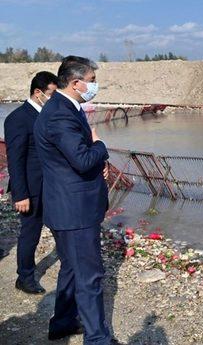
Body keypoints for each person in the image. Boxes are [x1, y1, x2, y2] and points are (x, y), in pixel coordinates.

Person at [34, 56, 117, 344]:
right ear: (75, 82)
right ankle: (97, 338)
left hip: (67, 206)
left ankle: (63, 322)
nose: (95, 86)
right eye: (92, 81)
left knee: (71, 267)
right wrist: (100, 146)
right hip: (75, 211)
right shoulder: (60, 114)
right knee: (89, 276)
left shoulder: (64, 108)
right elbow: (81, 159)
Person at [3, 71, 58, 295]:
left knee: (59, 228)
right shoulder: (18, 118)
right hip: (31, 189)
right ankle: (24, 277)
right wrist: (20, 194)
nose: (54, 99)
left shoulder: (48, 116)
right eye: (51, 94)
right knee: (30, 233)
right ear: (38, 93)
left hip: (51, 187)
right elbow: (15, 160)